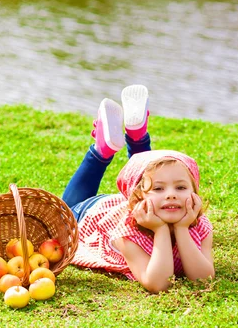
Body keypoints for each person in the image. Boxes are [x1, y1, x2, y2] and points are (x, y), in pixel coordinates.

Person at [61, 85, 214, 293]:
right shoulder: (128, 230)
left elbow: (203, 280)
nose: (171, 194)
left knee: (147, 175)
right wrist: (160, 230)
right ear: (139, 200)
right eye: (159, 189)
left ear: (194, 194)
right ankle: (102, 151)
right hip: (90, 213)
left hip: (125, 203)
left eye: (181, 187)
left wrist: (181, 229)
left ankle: (134, 137)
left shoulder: (199, 224)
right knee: (64, 215)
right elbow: (158, 284)